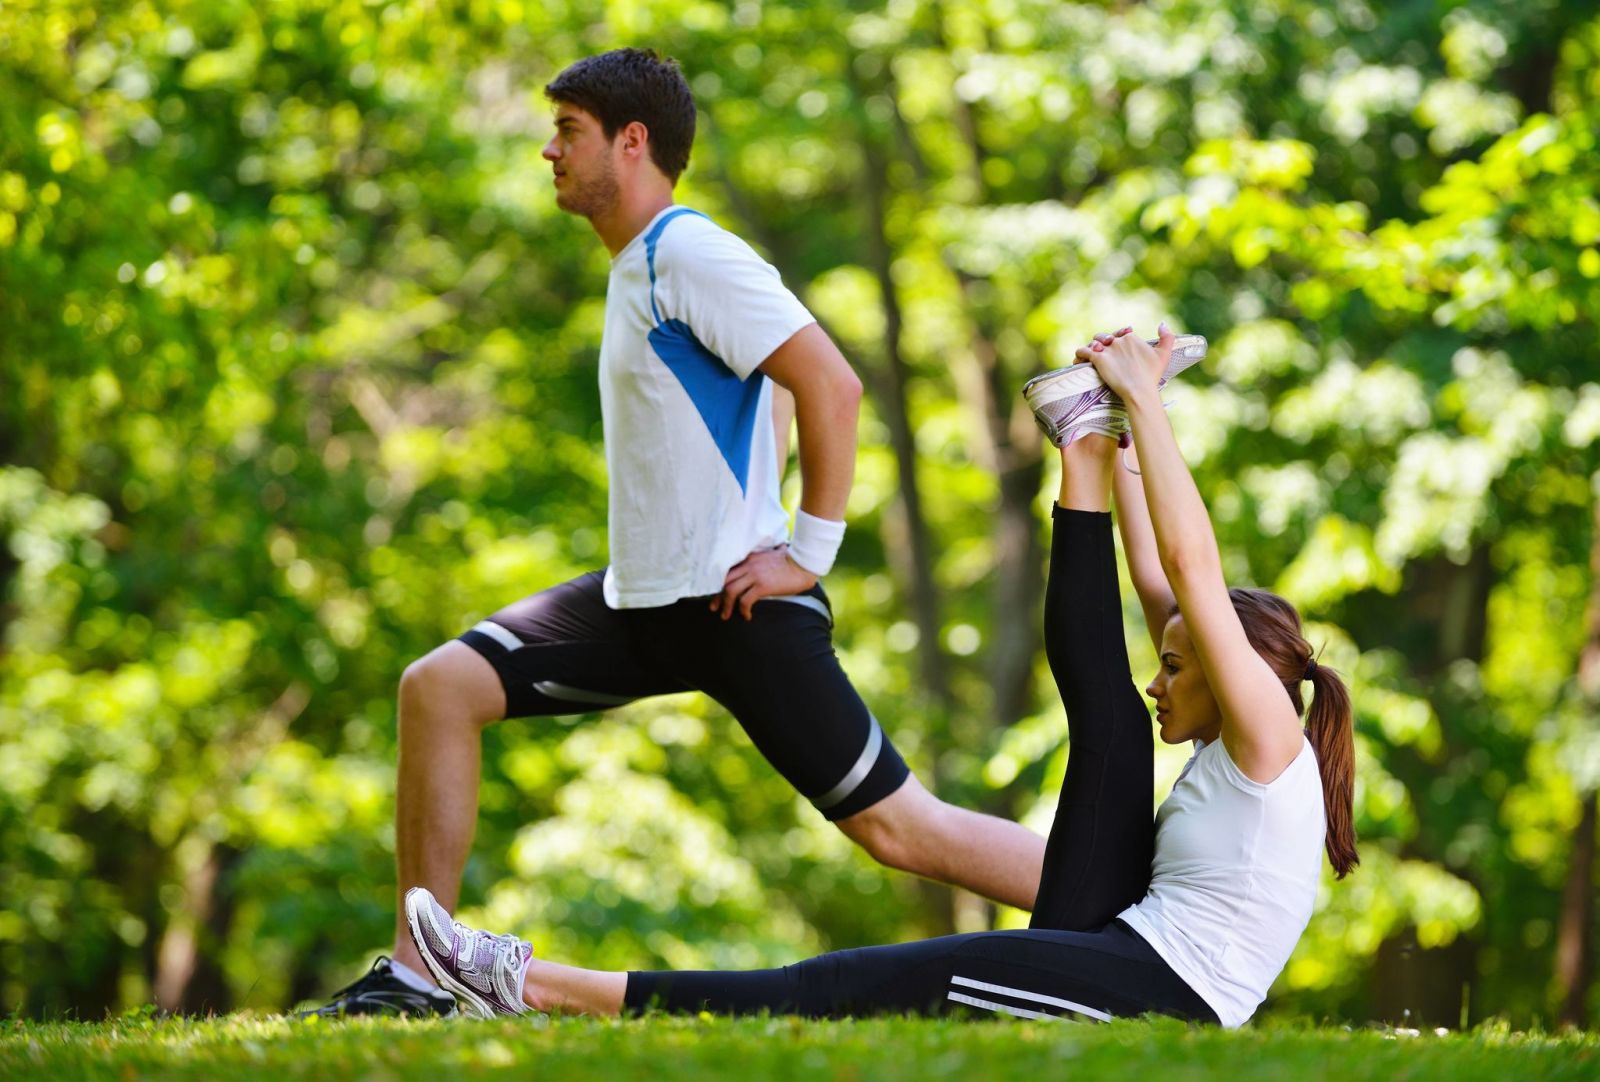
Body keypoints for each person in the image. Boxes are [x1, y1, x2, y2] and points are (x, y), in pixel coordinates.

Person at [303, 48, 1048, 1018]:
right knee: (439, 687)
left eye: (567, 132)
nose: (548, 151)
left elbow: (830, 380)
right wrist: (759, 494)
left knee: (899, 829)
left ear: (633, 139)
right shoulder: (637, 268)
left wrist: (801, 551)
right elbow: (768, 389)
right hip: (641, 601)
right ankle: (419, 974)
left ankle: (1138, 913)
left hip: (736, 607)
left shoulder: (689, 251)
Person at [398, 325, 1359, 1028]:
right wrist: (1117, 449)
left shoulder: (1267, 733)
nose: (1163, 679)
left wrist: (1149, 398)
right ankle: (1080, 442)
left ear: (1242, 676)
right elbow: (1161, 584)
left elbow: (1191, 570)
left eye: (1180, 667)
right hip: (1123, 932)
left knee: (842, 986)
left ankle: (526, 985)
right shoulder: (1239, 721)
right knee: (1103, 711)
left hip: (1163, 990)